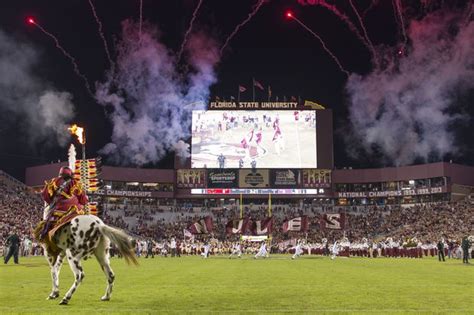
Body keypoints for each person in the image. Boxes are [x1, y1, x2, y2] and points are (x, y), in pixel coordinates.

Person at [36, 166, 88, 253]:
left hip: (59, 209)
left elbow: (45, 195)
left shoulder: (53, 181)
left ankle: (43, 235)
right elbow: (83, 200)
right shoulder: (76, 183)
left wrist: (51, 202)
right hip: (76, 210)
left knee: (47, 221)